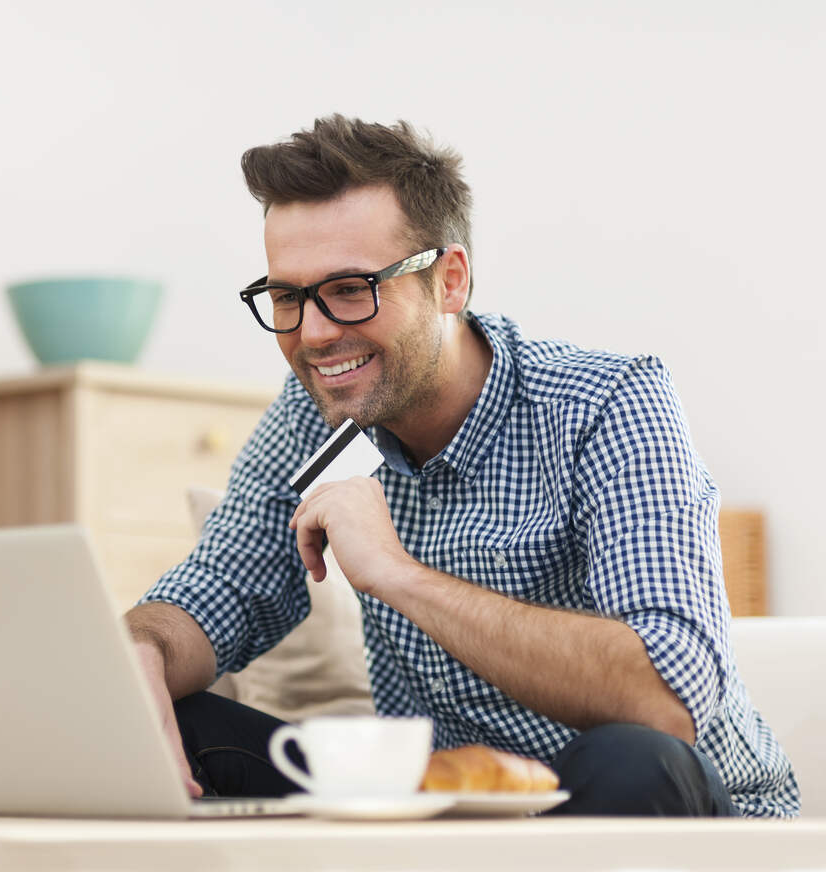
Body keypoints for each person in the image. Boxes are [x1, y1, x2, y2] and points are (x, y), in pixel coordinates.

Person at [124, 115, 798, 817]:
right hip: (442, 820)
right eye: (289, 297)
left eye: (352, 288)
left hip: (658, 807)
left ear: (449, 281)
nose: (315, 334)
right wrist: (141, 649)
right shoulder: (315, 413)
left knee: (632, 759)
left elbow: (666, 700)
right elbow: (220, 589)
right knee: (176, 724)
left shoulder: (607, 405)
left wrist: (398, 575)